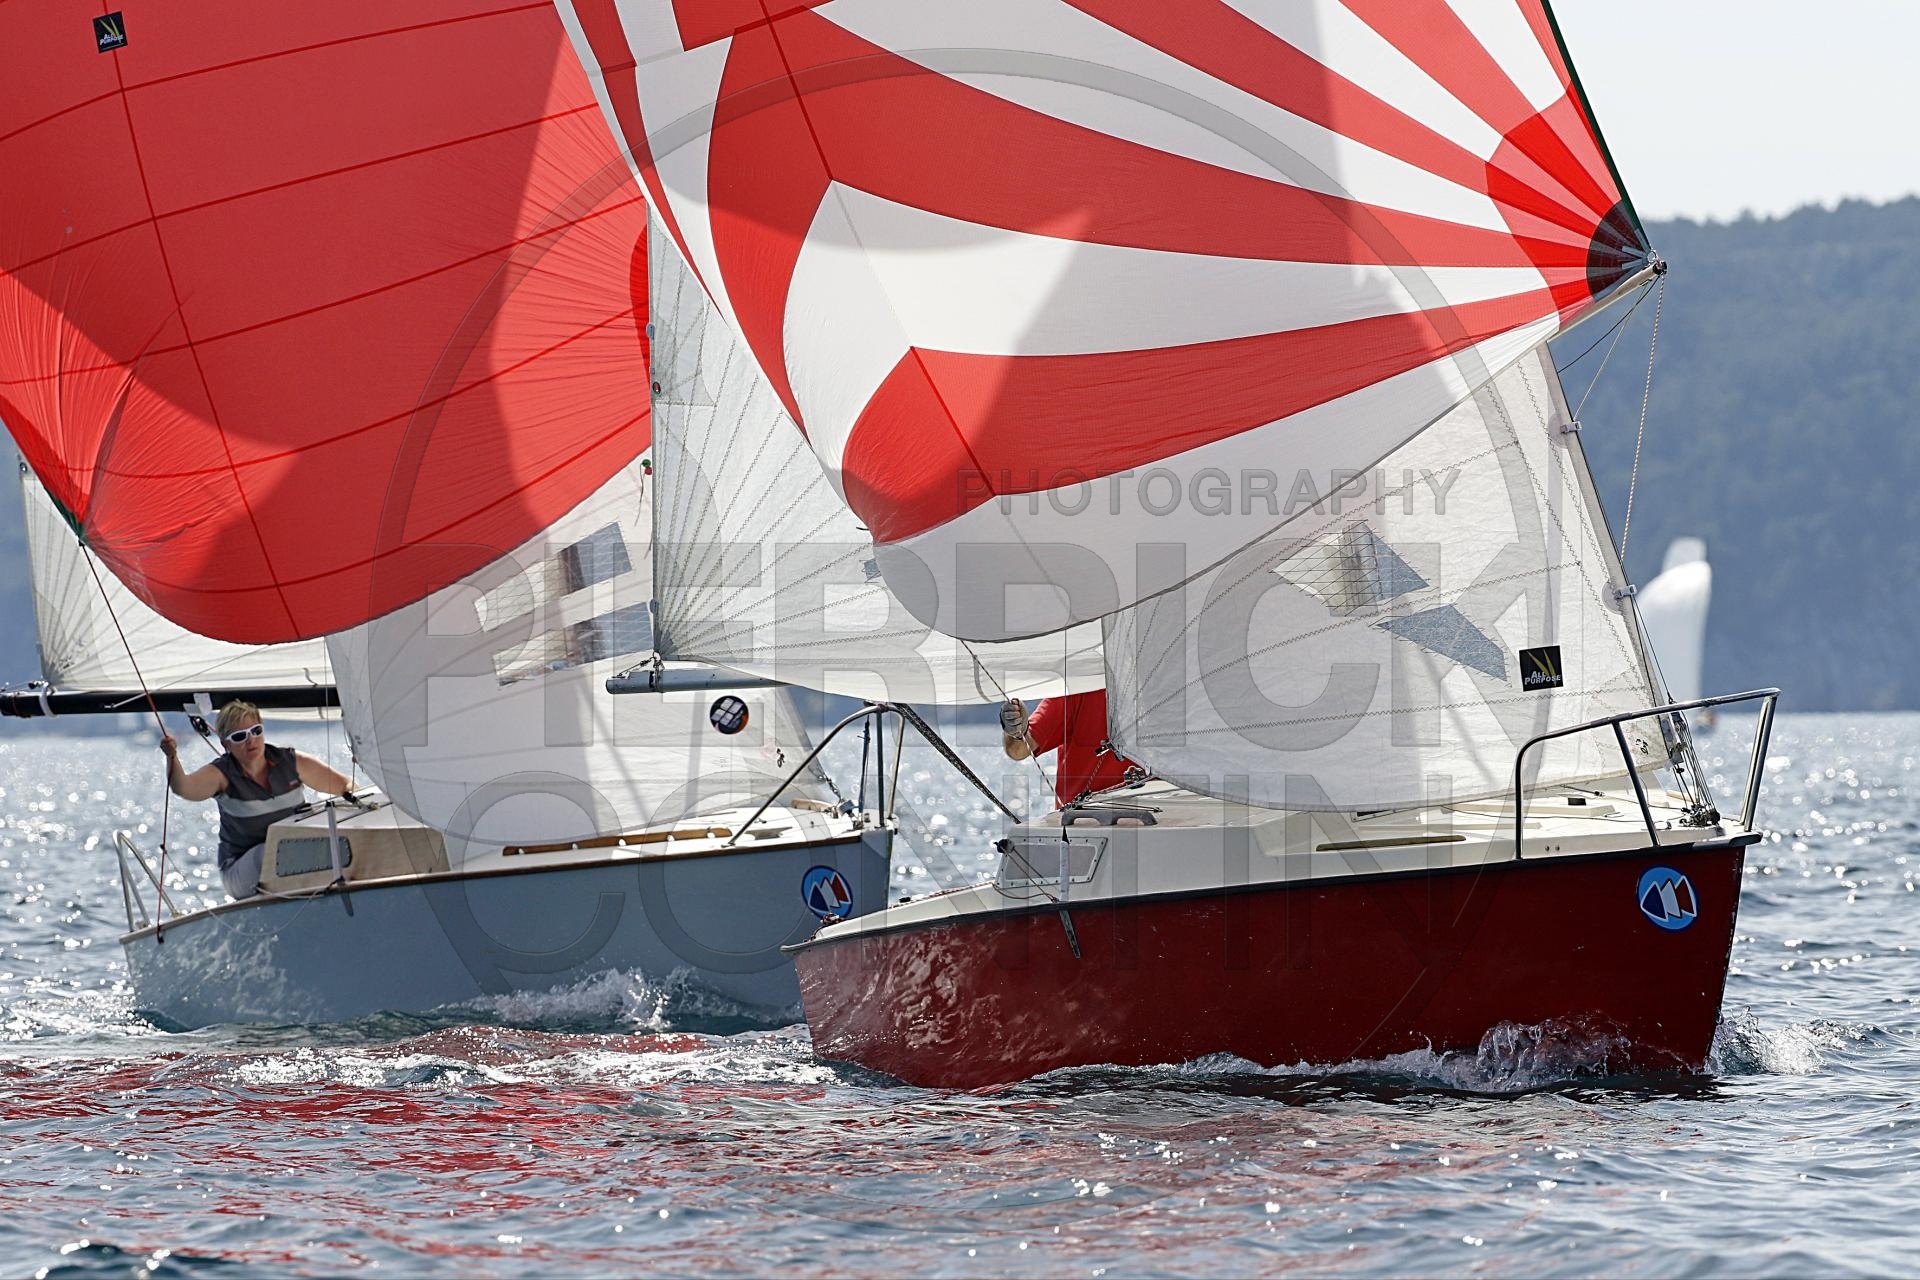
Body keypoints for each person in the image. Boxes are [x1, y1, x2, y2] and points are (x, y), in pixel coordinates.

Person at [160, 700, 356, 900]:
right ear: (226, 744)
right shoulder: (221, 774)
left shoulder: (290, 762)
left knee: (335, 843)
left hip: (295, 856)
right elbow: (183, 788)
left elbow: (346, 785)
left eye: (256, 731)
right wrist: (172, 757)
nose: (251, 740)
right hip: (239, 869)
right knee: (273, 851)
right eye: (240, 736)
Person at [1001, 690, 1136, 809]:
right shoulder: (1076, 687)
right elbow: (1017, 751)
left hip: (1146, 816)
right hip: (1081, 822)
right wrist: (1016, 730)